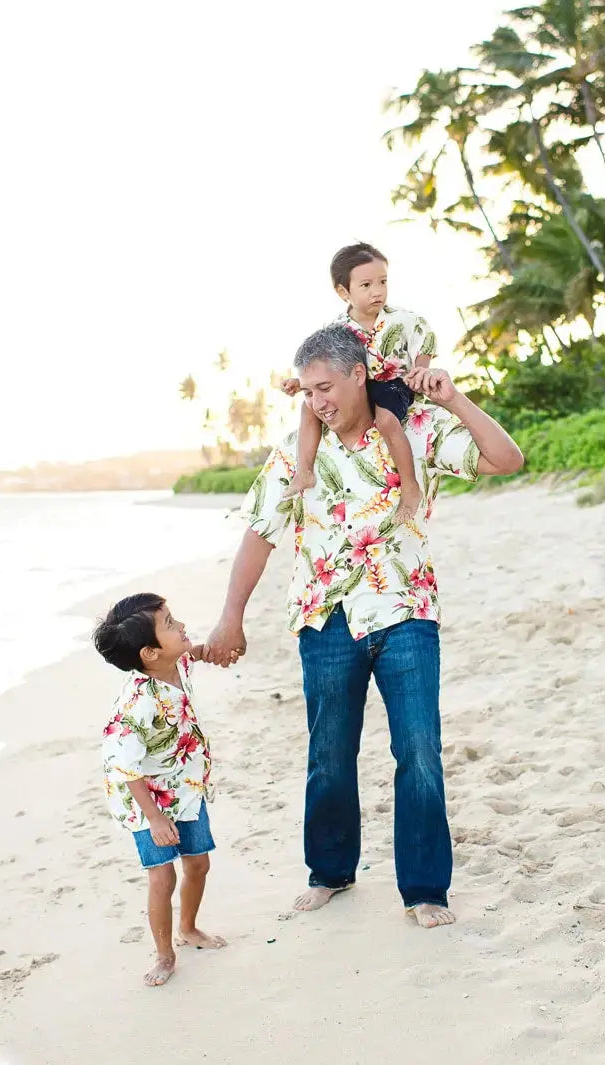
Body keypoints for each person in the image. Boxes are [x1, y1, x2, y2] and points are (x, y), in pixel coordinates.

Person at [205, 325, 523, 929]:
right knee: (328, 753)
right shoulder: (294, 456)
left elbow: (506, 460)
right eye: (307, 391)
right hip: (324, 619)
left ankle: (426, 889)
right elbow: (259, 533)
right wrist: (230, 616)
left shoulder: (413, 429)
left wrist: (454, 399)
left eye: (326, 386)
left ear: (358, 374)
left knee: (420, 751)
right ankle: (330, 872)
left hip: (405, 610)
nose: (318, 400)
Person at [94, 593, 231, 986]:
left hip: (184, 788)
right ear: (150, 653)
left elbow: (194, 653)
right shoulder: (138, 703)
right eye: (170, 624)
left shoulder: (173, 663)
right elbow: (124, 766)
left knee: (199, 863)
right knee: (162, 877)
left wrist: (212, 649)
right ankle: (164, 954)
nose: (181, 625)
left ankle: (189, 928)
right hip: (144, 801)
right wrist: (154, 818)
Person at [280, 242, 437, 526]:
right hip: (358, 389)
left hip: (394, 385)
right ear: (344, 292)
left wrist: (420, 372)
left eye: (382, 282)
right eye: (366, 285)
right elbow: (323, 364)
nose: (377, 291)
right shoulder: (338, 328)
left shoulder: (404, 320)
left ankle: (410, 488)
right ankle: (304, 470)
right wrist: (298, 382)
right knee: (308, 408)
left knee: (387, 421)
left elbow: (424, 341)